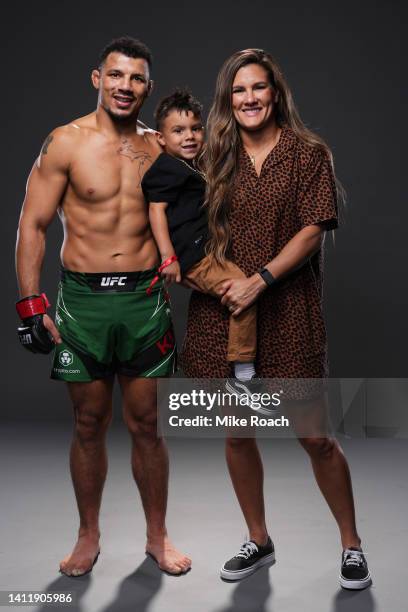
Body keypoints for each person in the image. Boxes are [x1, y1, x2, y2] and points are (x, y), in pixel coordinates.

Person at [181, 48, 371, 589]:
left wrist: (260, 280)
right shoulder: (211, 154)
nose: (248, 99)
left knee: (316, 438)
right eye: (238, 91)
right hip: (224, 313)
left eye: (257, 88)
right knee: (238, 435)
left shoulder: (308, 154)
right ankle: (259, 540)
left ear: (275, 93)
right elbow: (166, 182)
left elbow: (314, 230)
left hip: (287, 311)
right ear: (227, 99)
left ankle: (352, 545)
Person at [15, 36, 191, 577]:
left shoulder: (161, 146)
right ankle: (88, 534)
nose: (125, 87)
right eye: (116, 75)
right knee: (88, 422)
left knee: (147, 425)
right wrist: (29, 304)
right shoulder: (64, 143)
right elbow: (33, 224)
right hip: (84, 302)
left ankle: (157, 537)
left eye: (136, 78)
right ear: (98, 78)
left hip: (143, 300)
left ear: (148, 87)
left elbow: (204, 208)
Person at [142, 88, 261, 389]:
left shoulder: (191, 164)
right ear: (160, 138)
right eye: (178, 131)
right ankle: (242, 366)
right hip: (193, 256)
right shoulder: (166, 168)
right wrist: (168, 257)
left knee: (237, 290)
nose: (189, 137)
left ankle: (238, 366)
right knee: (242, 289)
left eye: (196, 129)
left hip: (204, 252)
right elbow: (156, 212)